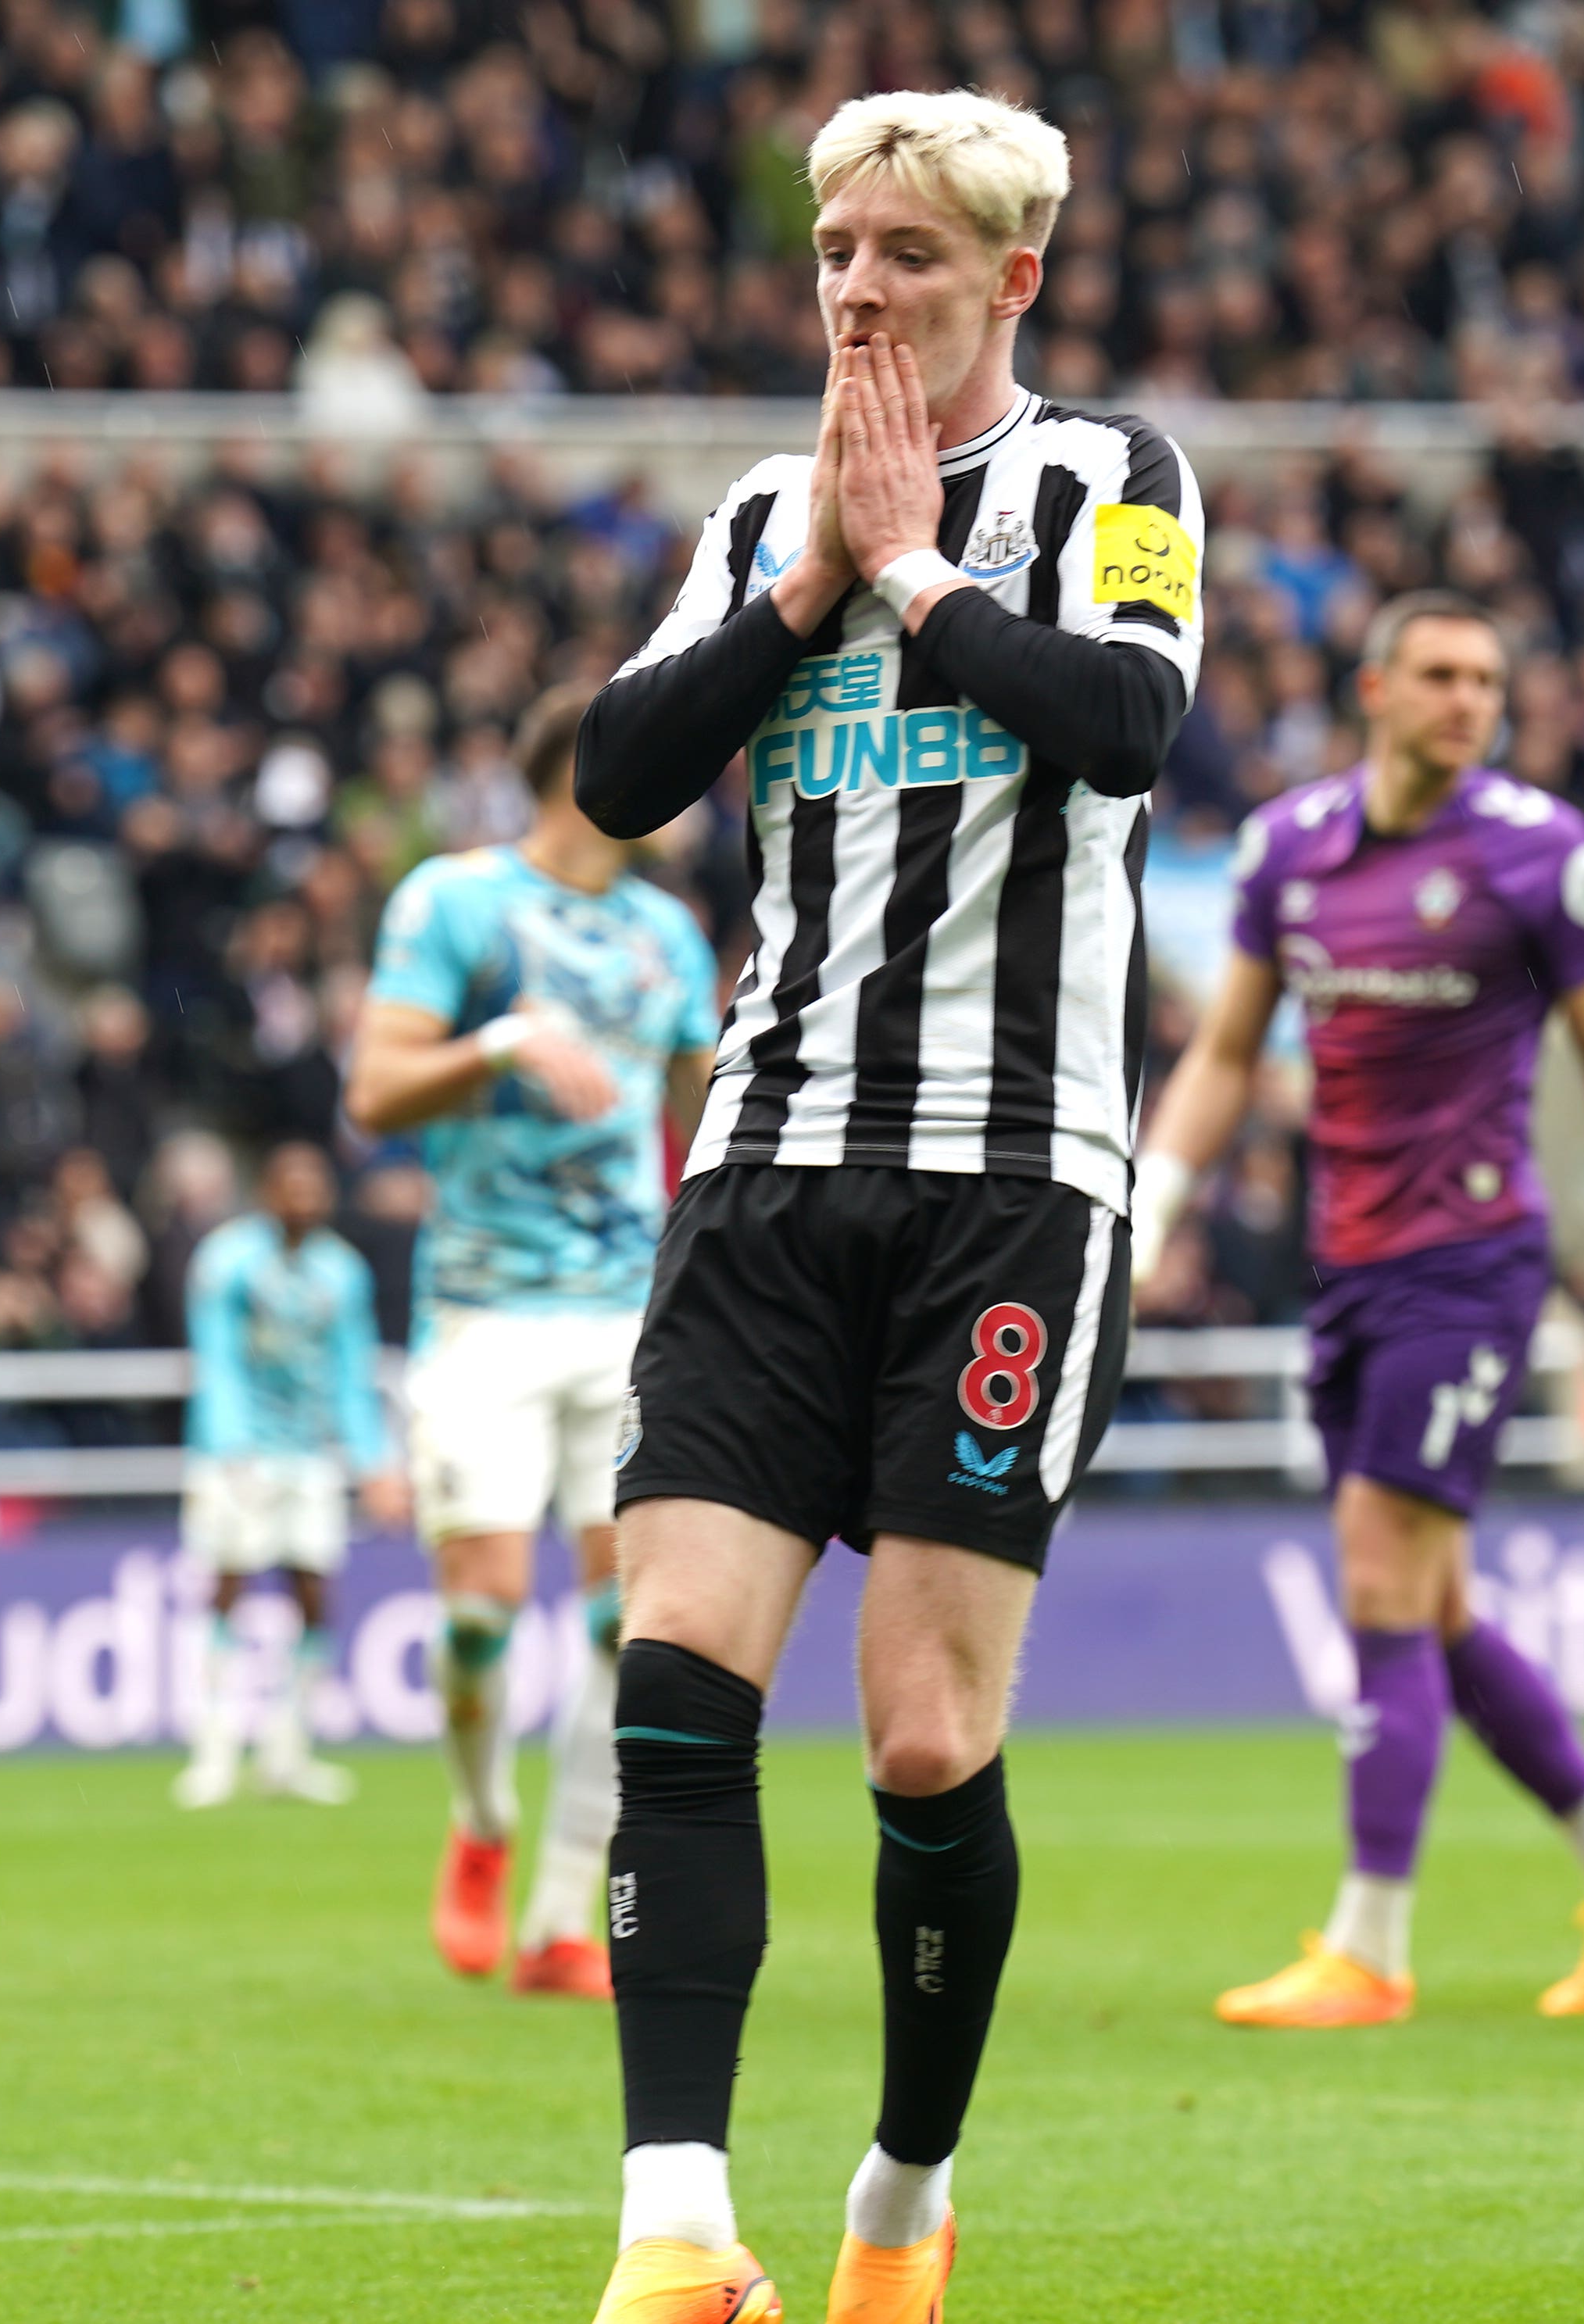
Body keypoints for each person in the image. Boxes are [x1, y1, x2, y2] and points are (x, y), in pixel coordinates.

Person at [567, 87, 1200, 2324]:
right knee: (673, 1688)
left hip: (1010, 1185)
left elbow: (1121, 723)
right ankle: (667, 2220)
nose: (855, 288)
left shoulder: (1110, 482)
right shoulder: (758, 508)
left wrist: (916, 574)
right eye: (837, 249)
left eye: (905, 254)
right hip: (765, 1164)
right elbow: (620, 768)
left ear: (1007, 278)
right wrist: (808, 584)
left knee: (923, 1734)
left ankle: (900, 2193)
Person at [1135, 592, 1584, 2030]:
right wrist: (1153, 1200)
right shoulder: (1292, 847)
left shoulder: (1540, 853)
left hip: (1470, 1265)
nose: (1470, 699)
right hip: (1349, 1262)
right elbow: (1224, 1048)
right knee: (1432, 1600)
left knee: (1383, 1586)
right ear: (1374, 686)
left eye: (1490, 677)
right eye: (1443, 675)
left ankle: (1371, 1944)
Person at [346, 682, 720, 2000]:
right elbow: (376, 1089)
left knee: (634, 1612)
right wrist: (503, 1039)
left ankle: (567, 1910)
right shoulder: (455, 901)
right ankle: (482, 1817)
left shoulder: (667, 936)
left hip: (627, 1311)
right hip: (486, 1309)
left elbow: (709, 1115)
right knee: (482, 1609)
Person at [173, 1141, 406, 1808]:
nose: (302, 1197)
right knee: (228, 1582)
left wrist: (374, 1462)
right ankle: (214, 1749)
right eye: (290, 1185)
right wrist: (231, 1448)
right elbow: (214, 1360)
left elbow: (349, 1373)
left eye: (314, 1186)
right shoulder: (227, 1262)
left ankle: (288, 1748)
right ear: (267, 1191)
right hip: (236, 1453)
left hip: (309, 1453)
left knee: (312, 1590)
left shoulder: (341, 1272)